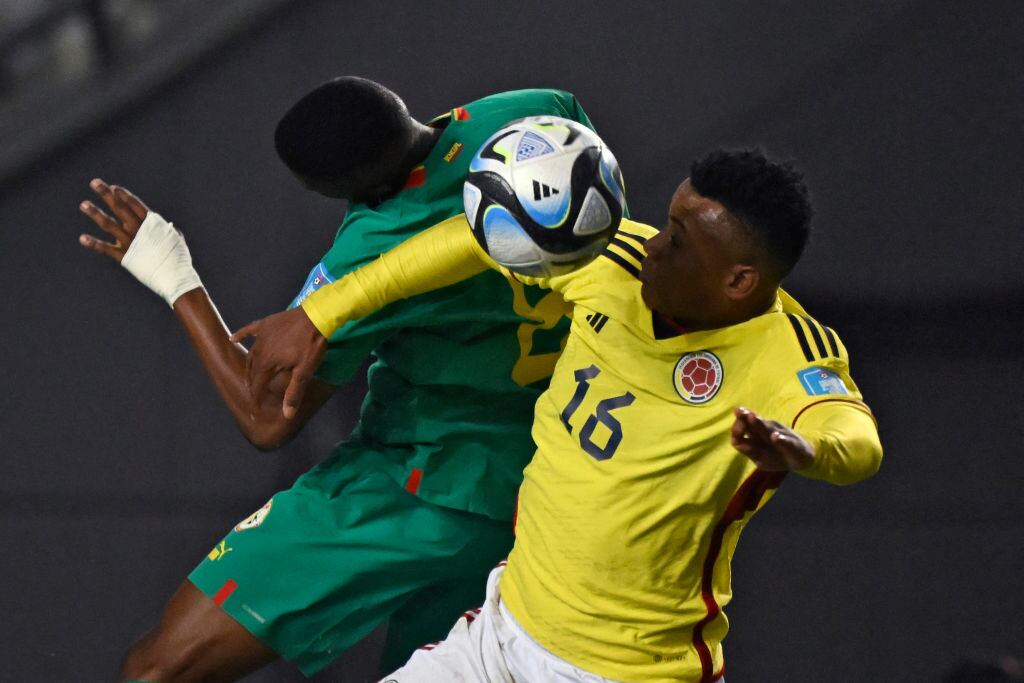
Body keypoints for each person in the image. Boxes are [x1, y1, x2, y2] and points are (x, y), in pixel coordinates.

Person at [236, 148, 883, 681]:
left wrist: (799, 449)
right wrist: (323, 309)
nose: (654, 246)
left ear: (739, 282)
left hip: (627, 671)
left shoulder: (787, 353)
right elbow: (473, 238)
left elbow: (854, 437)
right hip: (502, 630)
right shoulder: (613, 260)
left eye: (679, 241)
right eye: (665, 224)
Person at [77, 77, 606, 681]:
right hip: (530, 496)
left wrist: (176, 278)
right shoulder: (537, 110)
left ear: (352, 189)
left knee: (157, 669)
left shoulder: (371, 245)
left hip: (414, 485)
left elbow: (267, 419)